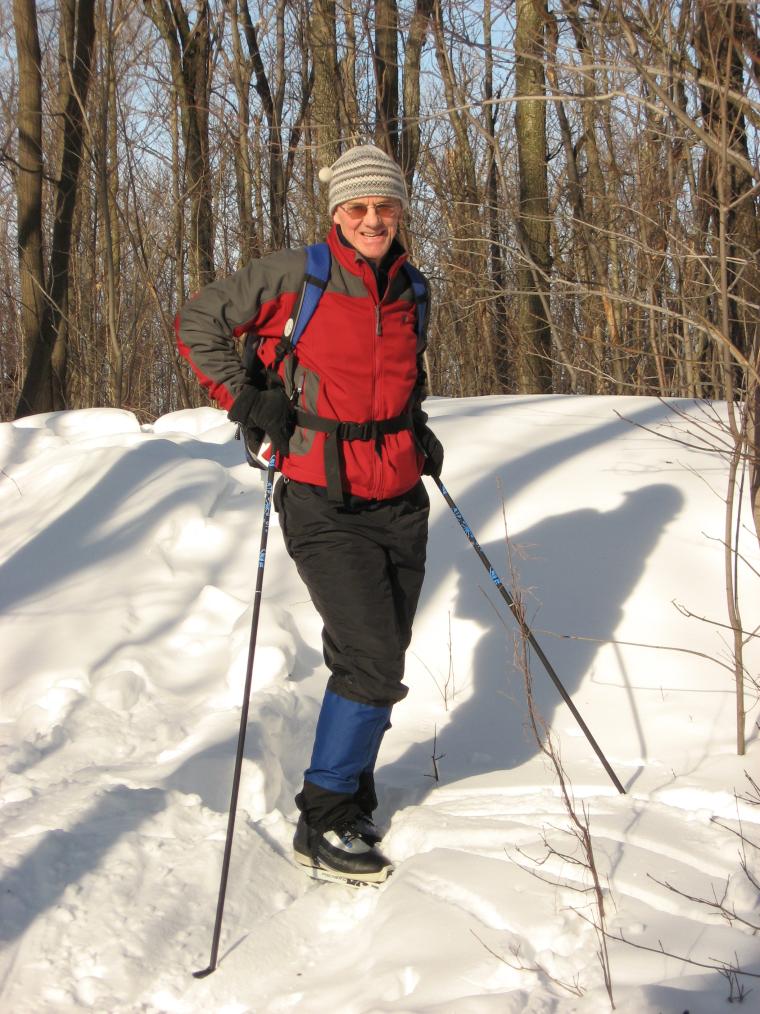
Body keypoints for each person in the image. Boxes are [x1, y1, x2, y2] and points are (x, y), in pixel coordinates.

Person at [176, 144, 443, 884]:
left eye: (384, 207)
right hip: (321, 496)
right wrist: (248, 398)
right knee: (373, 659)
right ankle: (323, 818)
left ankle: (352, 787)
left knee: (376, 647)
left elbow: (401, 379)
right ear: (336, 215)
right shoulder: (296, 275)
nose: (371, 219)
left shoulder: (413, 289)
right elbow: (197, 321)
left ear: (399, 213)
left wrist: (417, 431)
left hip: (400, 496)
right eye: (357, 208)